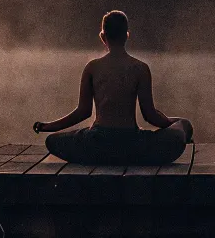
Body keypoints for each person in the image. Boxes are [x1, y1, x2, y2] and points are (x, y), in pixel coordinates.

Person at [33, 10, 194, 165]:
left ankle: (100, 157)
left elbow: (83, 112)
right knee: (184, 125)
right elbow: (150, 115)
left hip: (97, 144)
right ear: (127, 35)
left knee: (52, 141)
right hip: (132, 145)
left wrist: (48, 126)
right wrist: (175, 123)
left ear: (103, 37)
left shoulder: (92, 67)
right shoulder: (140, 68)